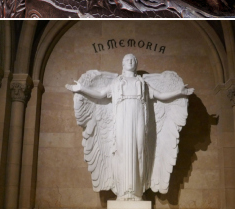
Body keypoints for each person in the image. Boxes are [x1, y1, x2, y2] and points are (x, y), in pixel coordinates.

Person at [66, 54, 192, 200]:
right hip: (121, 121)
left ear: (136, 63)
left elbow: (161, 95)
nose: (130, 61)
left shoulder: (142, 84)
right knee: (121, 151)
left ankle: (136, 192)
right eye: (127, 59)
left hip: (138, 120)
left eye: (133, 59)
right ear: (123, 63)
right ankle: (122, 192)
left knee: (139, 150)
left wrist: (178, 93)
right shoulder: (116, 83)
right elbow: (100, 94)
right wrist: (81, 89)